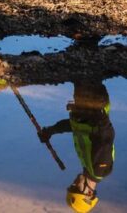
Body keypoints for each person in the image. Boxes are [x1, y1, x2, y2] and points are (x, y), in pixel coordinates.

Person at [39, 81, 115, 213]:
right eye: (76, 188)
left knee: (79, 74)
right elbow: (106, 137)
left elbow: (76, 127)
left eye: (71, 187)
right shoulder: (99, 170)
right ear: (89, 193)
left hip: (87, 107)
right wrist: (95, 113)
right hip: (93, 104)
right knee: (87, 75)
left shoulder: (88, 166)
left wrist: (50, 131)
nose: (73, 183)